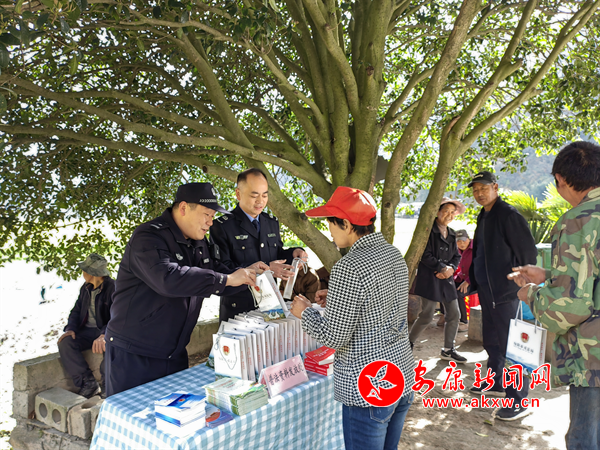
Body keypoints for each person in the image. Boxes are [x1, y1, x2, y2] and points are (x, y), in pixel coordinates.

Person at [105, 183, 268, 396]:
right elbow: (168, 279)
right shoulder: (148, 236)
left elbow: (214, 273)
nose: (211, 222)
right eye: (207, 215)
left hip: (175, 352)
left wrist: (246, 274)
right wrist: (227, 279)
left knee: (176, 414)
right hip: (134, 353)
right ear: (183, 208)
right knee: (131, 414)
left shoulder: (198, 241)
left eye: (213, 216)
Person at [290, 186, 415, 450]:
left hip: (369, 384)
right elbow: (382, 302)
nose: (329, 231)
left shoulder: (349, 266)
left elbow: (335, 337)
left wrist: (305, 312)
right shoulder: (393, 253)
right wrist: (337, 297)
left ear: (346, 224)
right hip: (400, 372)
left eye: (330, 223)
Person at [508, 141, 600, 449]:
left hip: (594, 357)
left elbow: (571, 306)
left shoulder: (578, 219)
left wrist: (532, 294)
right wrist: (550, 275)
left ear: (561, 180)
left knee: (585, 438)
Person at [467, 171, 537, 421]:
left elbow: (528, 253)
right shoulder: (484, 215)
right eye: (475, 190)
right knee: (492, 341)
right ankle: (496, 382)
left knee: (514, 346)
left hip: (507, 292)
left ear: (495, 187)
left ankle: (519, 400)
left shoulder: (508, 215)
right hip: (487, 290)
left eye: (483, 188)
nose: (479, 193)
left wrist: (523, 283)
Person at [210, 168, 308, 322]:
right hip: (239, 311)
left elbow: (277, 254)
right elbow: (221, 270)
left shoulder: (271, 223)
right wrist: (267, 269)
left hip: (271, 308)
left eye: (264, 195)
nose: (260, 201)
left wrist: (294, 254)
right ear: (238, 194)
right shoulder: (222, 226)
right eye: (254, 195)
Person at [409, 197, 467, 363]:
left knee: (454, 314)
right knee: (427, 315)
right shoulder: (428, 231)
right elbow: (424, 254)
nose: (449, 215)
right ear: (437, 212)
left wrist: (450, 269)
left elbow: (456, 256)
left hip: (446, 280)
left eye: (452, 212)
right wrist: (441, 268)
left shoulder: (452, 233)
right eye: (445, 211)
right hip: (430, 278)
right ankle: (407, 344)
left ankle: (448, 349)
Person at [58, 254, 114, 398]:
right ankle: (88, 383)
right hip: (87, 331)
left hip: (108, 331)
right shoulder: (86, 288)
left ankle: (108, 386)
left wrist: (104, 334)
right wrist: (71, 329)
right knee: (66, 342)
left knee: (111, 346)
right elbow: (76, 311)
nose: (82, 273)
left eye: (84, 270)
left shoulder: (113, 288)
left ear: (91, 273)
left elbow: (117, 317)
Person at [454, 229, 473, 329]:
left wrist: (468, 281)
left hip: (476, 280)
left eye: (463, 240)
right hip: (463, 277)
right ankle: (446, 316)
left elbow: (479, 268)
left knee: (459, 294)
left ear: (468, 239)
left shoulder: (476, 248)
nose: (461, 244)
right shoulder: (457, 250)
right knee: (446, 287)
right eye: (458, 241)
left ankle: (464, 322)